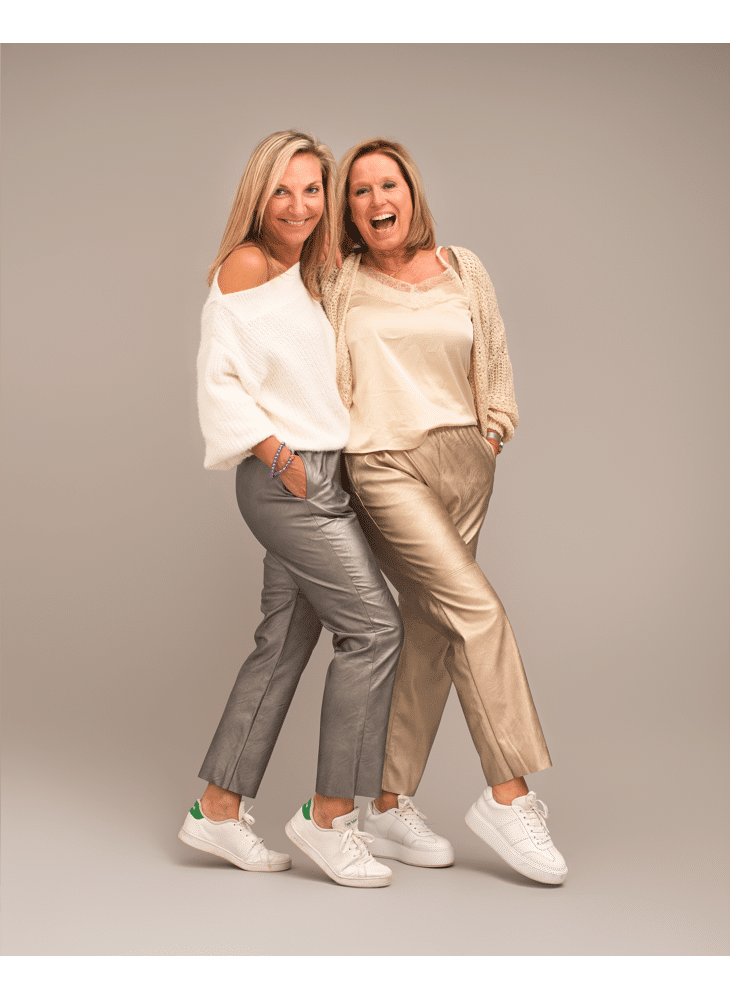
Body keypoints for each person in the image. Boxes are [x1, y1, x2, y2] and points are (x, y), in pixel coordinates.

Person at [322, 138, 567, 885]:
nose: (376, 200)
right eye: (359, 191)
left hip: (465, 461)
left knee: (430, 628)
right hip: (384, 462)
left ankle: (387, 802)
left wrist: (492, 431)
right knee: (476, 612)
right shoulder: (339, 279)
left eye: (387, 185)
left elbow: (492, 359)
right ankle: (509, 796)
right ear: (348, 212)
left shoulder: (464, 268)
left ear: (411, 193)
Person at [179, 130, 404, 889]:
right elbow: (219, 375)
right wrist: (279, 457)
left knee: (281, 646)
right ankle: (330, 818)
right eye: (282, 189)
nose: (299, 206)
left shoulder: (306, 274)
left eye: (313, 190)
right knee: (375, 629)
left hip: (321, 472)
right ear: (258, 195)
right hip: (289, 479)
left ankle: (217, 809)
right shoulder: (247, 264)